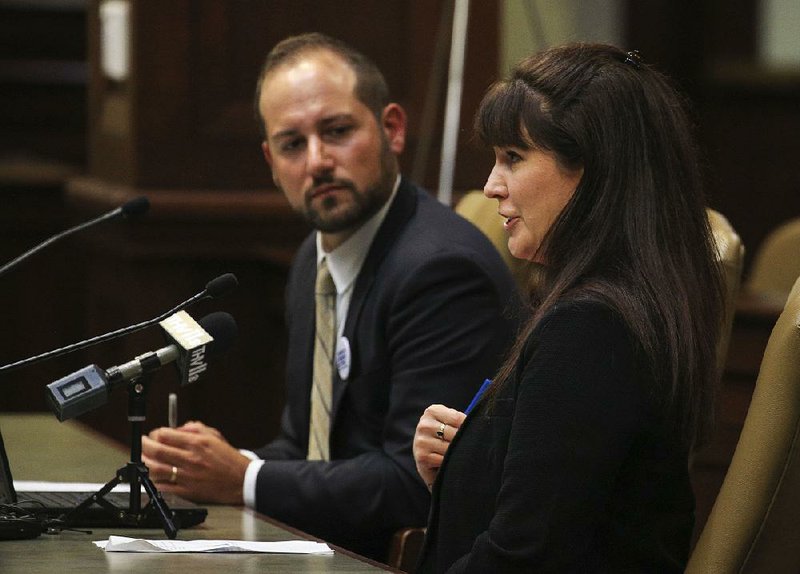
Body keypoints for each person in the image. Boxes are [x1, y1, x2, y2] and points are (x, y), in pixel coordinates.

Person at [140, 33, 519, 560]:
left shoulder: (440, 270)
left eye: (337, 131)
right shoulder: (310, 263)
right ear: (272, 162)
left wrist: (245, 478)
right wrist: (214, 466)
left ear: (392, 129)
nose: (317, 161)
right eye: (293, 144)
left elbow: (419, 483)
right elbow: (307, 448)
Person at [412, 43, 725, 573]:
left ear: (593, 170)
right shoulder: (619, 309)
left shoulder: (593, 327)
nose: (491, 186)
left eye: (513, 157)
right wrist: (464, 462)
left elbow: (523, 559)